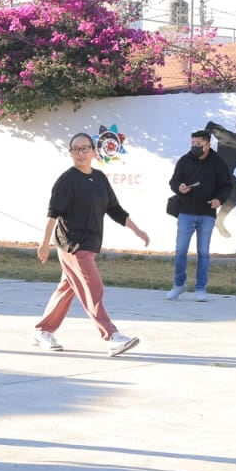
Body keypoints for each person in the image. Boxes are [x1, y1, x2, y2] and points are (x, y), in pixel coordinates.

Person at [32, 132, 150, 355]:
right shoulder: (66, 180)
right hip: (72, 245)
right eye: (75, 149)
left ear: (94, 152)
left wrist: (137, 230)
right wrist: (44, 243)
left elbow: (114, 209)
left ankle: (42, 331)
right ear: (70, 153)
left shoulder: (99, 178)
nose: (81, 153)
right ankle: (111, 336)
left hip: (90, 243)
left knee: (67, 289)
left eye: (85, 148)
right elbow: (53, 214)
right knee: (92, 287)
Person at [166, 129, 234, 301]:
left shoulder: (218, 163)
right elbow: (173, 181)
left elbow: (227, 185)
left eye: (199, 144)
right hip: (185, 212)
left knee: (203, 252)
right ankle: (179, 284)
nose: (195, 147)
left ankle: (200, 288)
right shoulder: (184, 160)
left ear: (207, 144)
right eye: (193, 144)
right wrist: (179, 187)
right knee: (180, 250)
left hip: (207, 213)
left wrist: (219, 199)